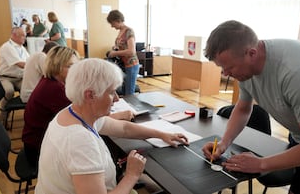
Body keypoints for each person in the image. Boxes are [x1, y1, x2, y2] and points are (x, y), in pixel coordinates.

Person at [201, 20, 300, 194]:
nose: (226, 74)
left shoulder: (297, 73)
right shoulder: (245, 67)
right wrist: (224, 143)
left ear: (251, 53)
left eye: (229, 68)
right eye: (222, 68)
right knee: (298, 174)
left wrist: (260, 163)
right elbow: (243, 109)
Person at [35, 58, 188, 194]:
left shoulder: (75, 112)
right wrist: (132, 175)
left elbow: (123, 128)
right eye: (111, 92)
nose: (116, 99)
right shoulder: (79, 140)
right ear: (90, 95)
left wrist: (161, 134)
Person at [22, 47, 135, 167]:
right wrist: (120, 115)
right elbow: (85, 118)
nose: (75, 71)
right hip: (38, 150)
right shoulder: (55, 89)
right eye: (70, 66)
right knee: (106, 142)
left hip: (38, 142)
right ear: (56, 67)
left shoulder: (52, 82)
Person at [0, 27, 30, 123]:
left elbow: (29, 60)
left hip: (20, 78)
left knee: (31, 90)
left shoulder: (22, 48)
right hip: (6, 78)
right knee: (9, 92)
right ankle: (3, 118)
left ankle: (30, 116)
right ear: (14, 35)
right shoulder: (7, 47)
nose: (25, 37)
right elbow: (20, 64)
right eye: (23, 35)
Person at [106, 9, 140, 95]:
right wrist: (116, 48)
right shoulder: (121, 32)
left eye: (112, 23)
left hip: (131, 65)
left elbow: (131, 51)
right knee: (124, 91)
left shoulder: (129, 31)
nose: (112, 26)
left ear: (118, 20)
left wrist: (115, 53)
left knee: (129, 93)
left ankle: (131, 108)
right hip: (124, 65)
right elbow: (124, 46)